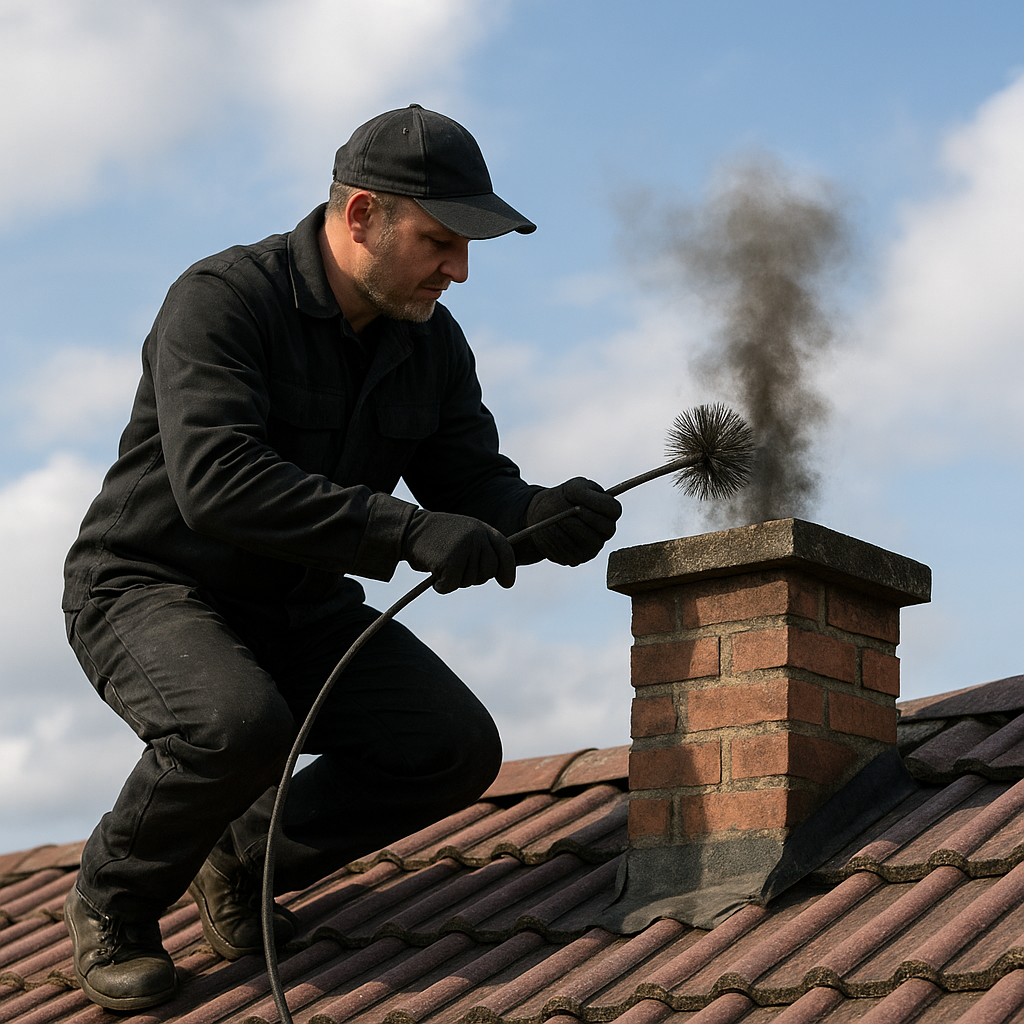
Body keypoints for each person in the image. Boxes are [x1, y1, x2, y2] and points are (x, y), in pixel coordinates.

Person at [60, 104, 622, 1011]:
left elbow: (469, 479)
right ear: (362, 216)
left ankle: (235, 855)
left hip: (301, 606)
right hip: (150, 588)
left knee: (450, 747)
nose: (460, 269)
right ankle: (114, 903)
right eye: (442, 241)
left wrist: (535, 513)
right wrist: (404, 532)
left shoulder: (430, 341)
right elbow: (218, 481)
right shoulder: (221, 299)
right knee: (238, 727)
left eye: (467, 247)